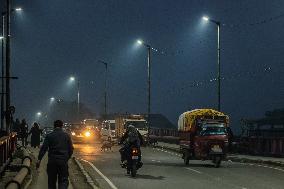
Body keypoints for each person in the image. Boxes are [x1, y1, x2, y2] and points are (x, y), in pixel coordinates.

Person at [36, 120, 74, 189]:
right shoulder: (67, 136)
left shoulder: (49, 136)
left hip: (52, 161)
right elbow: (71, 149)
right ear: (62, 126)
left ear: (54, 126)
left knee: (51, 181)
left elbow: (44, 148)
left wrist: (39, 159)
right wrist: (67, 158)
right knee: (63, 180)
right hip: (63, 162)